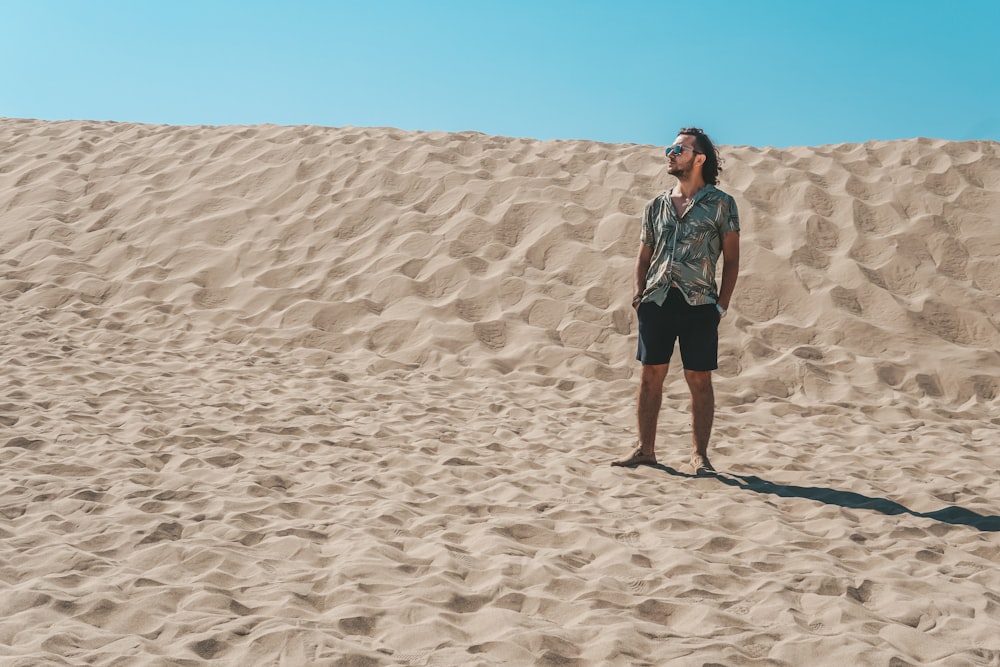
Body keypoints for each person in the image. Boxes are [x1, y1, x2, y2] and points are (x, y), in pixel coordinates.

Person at [611, 127, 740, 475]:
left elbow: (732, 259)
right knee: (650, 375)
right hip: (657, 300)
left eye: (679, 149)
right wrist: (639, 296)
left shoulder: (722, 204)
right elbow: (643, 255)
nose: (670, 153)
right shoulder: (656, 204)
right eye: (670, 148)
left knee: (699, 379)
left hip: (700, 304)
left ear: (699, 158)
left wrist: (721, 305)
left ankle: (700, 455)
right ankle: (645, 450)